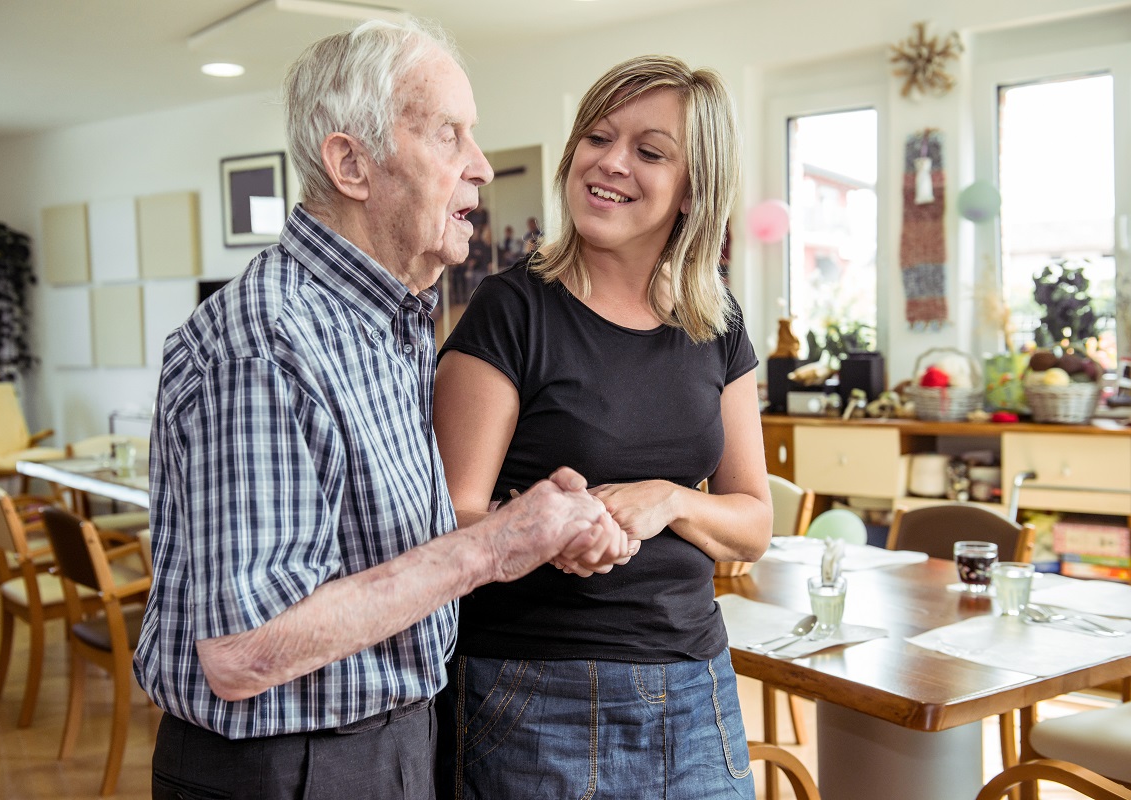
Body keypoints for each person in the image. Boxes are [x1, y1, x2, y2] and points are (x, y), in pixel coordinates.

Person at [133, 19, 629, 800]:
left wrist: (529, 525)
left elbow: (383, 554)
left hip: (392, 742)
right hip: (293, 768)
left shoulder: (387, 322)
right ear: (351, 164)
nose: (481, 166)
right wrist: (494, 548)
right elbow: (243, 649)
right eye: (448, 135)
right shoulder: (267, 339)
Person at [432, 54, 772, 799]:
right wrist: (553, 529)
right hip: (534, 689)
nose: (610, 163)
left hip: (696, 684)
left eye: (650, 152)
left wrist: (672, 499)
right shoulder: (512, 309)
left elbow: (752, 524)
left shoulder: (717, 322)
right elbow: (448, 517)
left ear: (693, 190)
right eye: (597, 137)